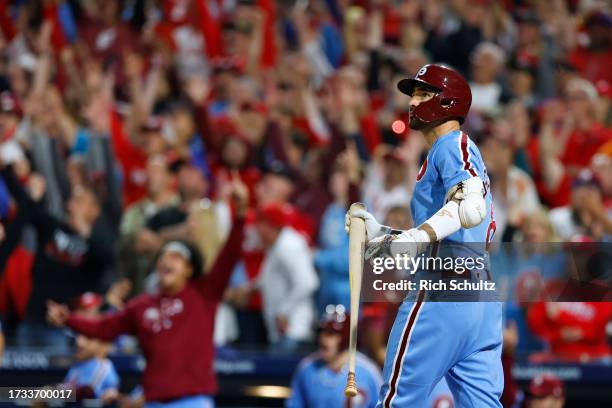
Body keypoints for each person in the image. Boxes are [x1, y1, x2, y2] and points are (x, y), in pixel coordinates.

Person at [347, 64, 502, 406]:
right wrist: (379, 235)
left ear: (448, 101)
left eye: (422, 93)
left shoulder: (452, 143)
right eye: (412, 94)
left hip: (442, 291)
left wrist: (415, 238)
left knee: (398, 401)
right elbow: (444, 234)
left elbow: (468, 204)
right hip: (480, 296)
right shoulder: (451, 149)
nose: (413, 102)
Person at [47, 180, 248, 407]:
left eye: (176, 257)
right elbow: (103, 328)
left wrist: (240, 215)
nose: (166, 260)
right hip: (154, 402)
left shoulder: (203, 294)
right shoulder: (141, 306)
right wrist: (68, 319)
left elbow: (229, 257)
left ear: (190, 270)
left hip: (192, 401)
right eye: (163, 256)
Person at [286, 305, 382, 408]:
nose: (323, 339)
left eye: (331, 333)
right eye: (321, 332)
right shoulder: (307, 368)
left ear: (346, 337)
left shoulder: (368, 371)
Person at [255, 202, 319, 350]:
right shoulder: (276, 244)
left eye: (260, 224)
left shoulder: (288, 245)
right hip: (282, 333)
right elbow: (271, 279)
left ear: (270, 225)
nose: (256, 229)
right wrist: (250, 288)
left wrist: (283, 311)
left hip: (294, 330)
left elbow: (308, 282)